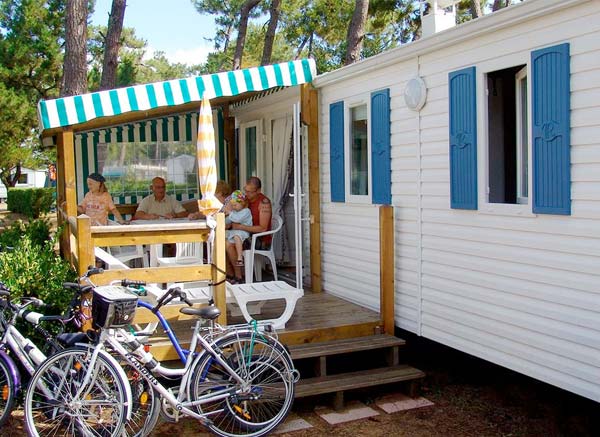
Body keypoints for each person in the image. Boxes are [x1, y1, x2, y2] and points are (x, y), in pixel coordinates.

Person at [226, 176, 272, 281]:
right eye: (245, 190)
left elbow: (263, 229)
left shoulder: (264, 202)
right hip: (244, 234)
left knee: (228, 244)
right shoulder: (244, 200)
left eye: (250, 192)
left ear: (259, 191)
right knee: (220, 239)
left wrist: (241, 226)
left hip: (259, 239)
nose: (247, 194)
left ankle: (238, 276)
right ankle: (230, 273)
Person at [225, 190, 253, 273]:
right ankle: (228, 269)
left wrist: (230, 213)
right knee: (222, 236)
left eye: (235, 205)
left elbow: (237, 219)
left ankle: (240, 258)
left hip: (244, 233)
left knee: (237, 236)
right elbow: (228, 220)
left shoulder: (246, 211)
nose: (234, 207)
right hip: (235, 232)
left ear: (243, 203)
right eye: (232, 205)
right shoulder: (234, 211)